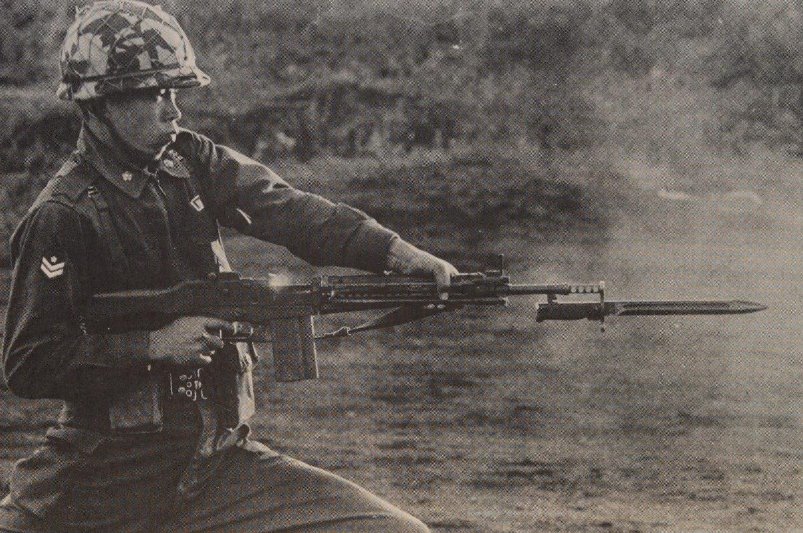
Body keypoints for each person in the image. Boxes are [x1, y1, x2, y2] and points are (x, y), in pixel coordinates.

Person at [0, 2, 457, 531]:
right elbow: (28, 363)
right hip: (100, 481)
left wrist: (395, 253)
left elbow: (286, 209)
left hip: (215, 469)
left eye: (175, 93)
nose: (174, 113)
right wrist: (152, 346)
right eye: (155, 95)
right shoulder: (63, 215)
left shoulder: (189, 161)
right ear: (101, 104)